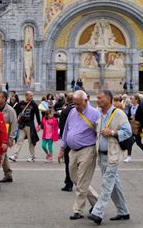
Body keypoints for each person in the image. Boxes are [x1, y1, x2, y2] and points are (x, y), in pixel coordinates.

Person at [88, 90, 131, 225]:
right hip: (102, 156)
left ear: (108, 99)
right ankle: (123, 211)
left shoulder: (118, 114)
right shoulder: (100, 114)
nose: (97, 99)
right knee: (114, 184)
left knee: (107, 184)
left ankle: (97, 212)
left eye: (100, 98)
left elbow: (128, 131)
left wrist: (112, 132)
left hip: (113, 155)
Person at [57, 90, 99, 221]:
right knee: (74, 178)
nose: (76, 107)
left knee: (82, 181)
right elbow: (66, 130)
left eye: (78, 104)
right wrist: (62, 148)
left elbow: (100, 133)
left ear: (86, 101)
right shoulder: (72, 112)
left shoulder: (95, 114)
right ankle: (98, 203)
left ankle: (78, 210)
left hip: (87, 149)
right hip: (73, 151)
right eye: (74, 104)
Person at [9, 91, 40, 162]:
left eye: (32, 96)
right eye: (30, 96)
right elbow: (15, 112)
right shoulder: (21, 104)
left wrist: (39, 124)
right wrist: (15, 119)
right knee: (19, 140)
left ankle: (32, 156)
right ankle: (15, 155)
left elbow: (37, 114)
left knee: (31, 141)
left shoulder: (34, 104)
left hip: (30, 125)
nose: (32, 97)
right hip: (22, 125)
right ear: (26, 96)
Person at [0, 92, 17, 183]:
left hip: (5, 138)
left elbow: (14, 125)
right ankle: (8, 175)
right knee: (4, 156)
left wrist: (11, 138)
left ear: (4, 99)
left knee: (0, 156)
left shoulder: (10, 110)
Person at [124, 94, 143, 163]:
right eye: (131, 99)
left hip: (138, 126)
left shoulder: (141, 106)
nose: (131, 100)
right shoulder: (131, 107)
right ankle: (129, 157)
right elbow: (128, 115)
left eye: (132, 99)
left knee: (138, 142)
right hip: (131, 126)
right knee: (129, 141)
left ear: (136, 100)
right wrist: (129, 118)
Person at [58, 93, 74, 192]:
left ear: (66, 100)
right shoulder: (80, 109)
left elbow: (62, 126)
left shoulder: (65, 111)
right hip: (80, 141)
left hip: (68, 140)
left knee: (68, 162)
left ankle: (69, 183)